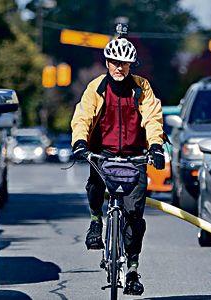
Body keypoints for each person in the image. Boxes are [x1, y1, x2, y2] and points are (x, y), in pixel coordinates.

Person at [70, 37, 165, 295]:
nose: (119, 68)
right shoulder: (97, 87)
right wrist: (79, 142)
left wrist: (155, 146)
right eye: (114, 62)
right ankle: (95, 222)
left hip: (134, 156)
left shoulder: (141, 88)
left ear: (131, 64)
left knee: (134, 218)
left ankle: (132, 271)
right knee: (94, 186)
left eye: (124, 63)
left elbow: (153, 116)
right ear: (107, 62)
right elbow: (83, 116)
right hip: (103, 153)